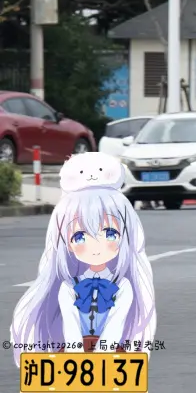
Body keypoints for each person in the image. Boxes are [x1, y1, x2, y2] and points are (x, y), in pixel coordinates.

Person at [10, 153, 156, 360]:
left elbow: (115, 328)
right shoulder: (68, 287)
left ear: (126, 236)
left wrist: (102, 358)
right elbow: (70, 332)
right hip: (75, 360)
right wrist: (78, 359)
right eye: (80, 236)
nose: (96, 246)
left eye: (110, 234)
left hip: (111, 359)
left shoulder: (123, 287)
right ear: (65, 242)